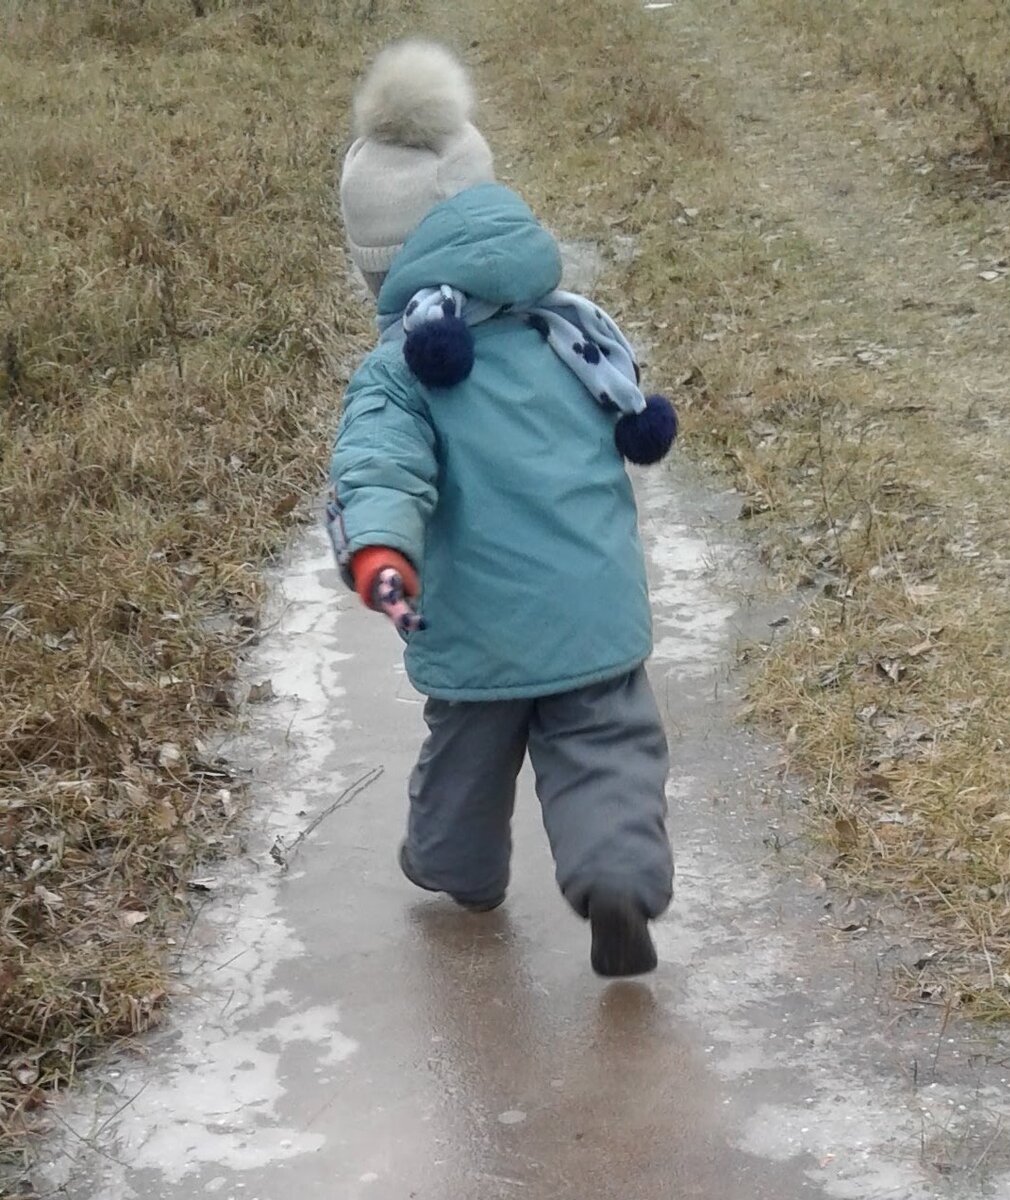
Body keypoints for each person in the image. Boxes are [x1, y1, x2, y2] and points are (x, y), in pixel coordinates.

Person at [327, 40, 677, 977]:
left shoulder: (401, 370)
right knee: (604, 751)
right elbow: (625, 412)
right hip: (593, 606)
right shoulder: (569, 327)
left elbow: (379, 473)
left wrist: (380, 554)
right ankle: (615, 878)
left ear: (378, 266)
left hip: (476, 624)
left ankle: (456, 869)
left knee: (466, 762)